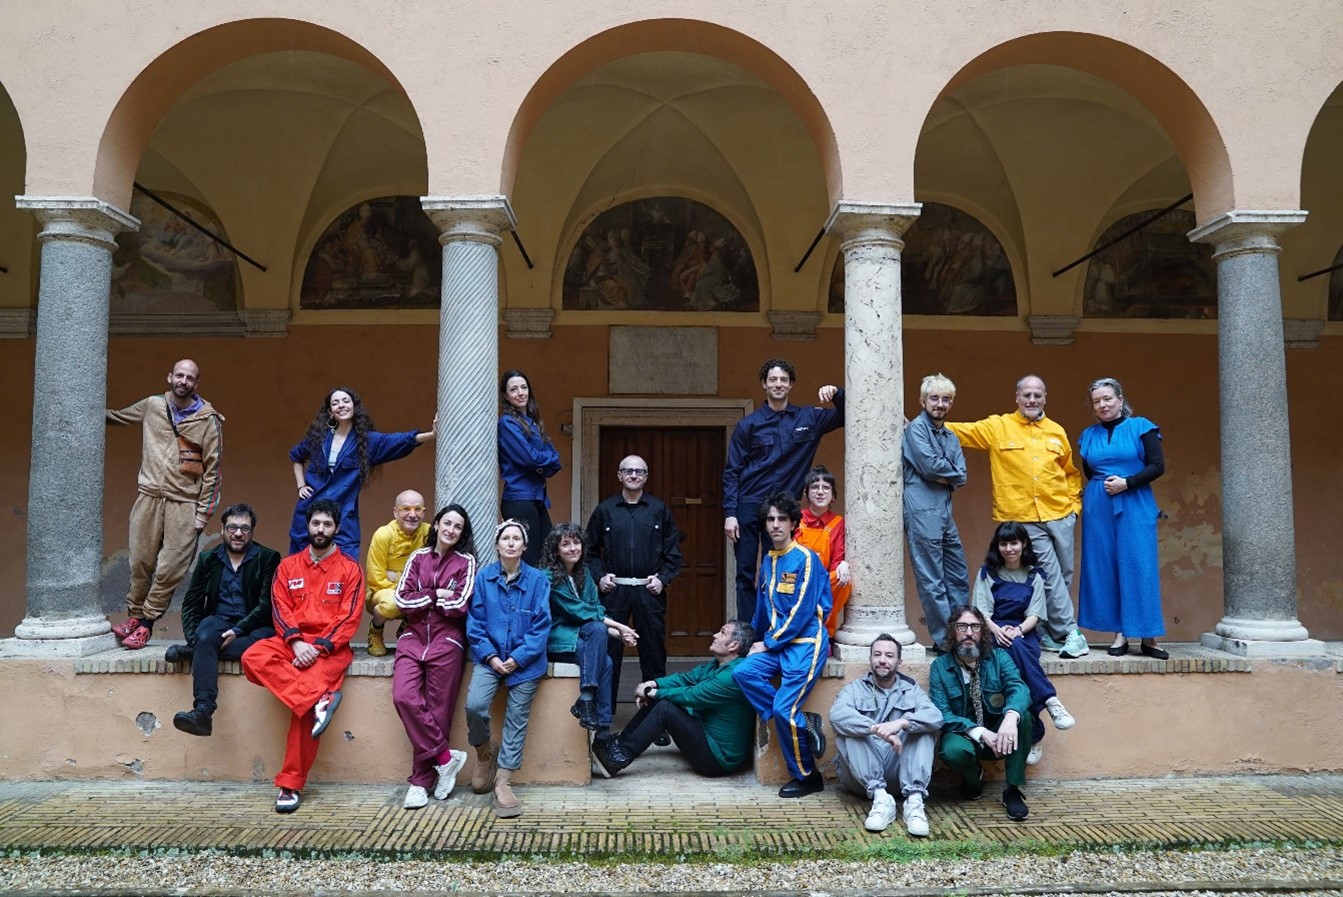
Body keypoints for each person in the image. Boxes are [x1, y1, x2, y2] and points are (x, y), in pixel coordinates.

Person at [946, 375, 1089, 658]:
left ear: (1045, 398)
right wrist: (920, 426)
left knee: (1063, 575)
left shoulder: (1056, 431)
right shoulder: (998, 426)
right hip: (1024, 517)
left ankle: (1048, 633)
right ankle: (1073, 634)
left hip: (1060, 513)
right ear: (1017, 398)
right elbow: (958, 431)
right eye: (1026, 395)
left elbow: (1070, 472)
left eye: (1037, 395)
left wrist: (1074, 507)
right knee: (1049, 575)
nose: (1032, 400)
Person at [241, 499, 364, 814]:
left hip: (330, 650)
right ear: (307, 526)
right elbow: (280, 609)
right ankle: (317, 699)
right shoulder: (287, 567)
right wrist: (296, 643)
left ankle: (290, 785)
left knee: (302, 715)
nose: (320, 529)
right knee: (253, 656)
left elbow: (349, 619)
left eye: (327, 524)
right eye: (315, 523)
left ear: (337, 528)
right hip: (292, 642)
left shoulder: (350, 569)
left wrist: (317, 649)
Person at [106, 358, 224, 650]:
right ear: (169, 377)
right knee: (139, 562)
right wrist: (82, 409)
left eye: (190, 378)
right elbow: (118, 417)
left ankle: (147, 623)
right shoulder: (153, 405)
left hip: (184, 503)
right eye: (179, 375)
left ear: (197, 383)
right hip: (148, 496)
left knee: (171, 568)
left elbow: (213, 471)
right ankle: (134, 616)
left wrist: (203, 514)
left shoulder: (208, 421)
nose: (184, 381)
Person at [723, 359, 844, 621]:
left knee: (779, 570)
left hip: (783, 508)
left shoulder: (809, 418)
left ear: (791, 385)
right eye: (773, 380)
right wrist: (730, 513)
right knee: (745, 572)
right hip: (749, 503)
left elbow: (848, 414)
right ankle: (747, 631)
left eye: (783, 380)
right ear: (764, 384)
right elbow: (732, 471)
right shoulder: (749, 425)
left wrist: (836, 393)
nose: (778, 384)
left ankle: (775, 626)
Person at [731, 490, 831, 798]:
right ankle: (802, 722)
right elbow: (763, 610)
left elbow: (802, 611)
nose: (775, 524)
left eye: (782, 519)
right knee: (743, 671)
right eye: (770, 519)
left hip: (805, 644)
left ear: (793, 523)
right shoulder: (768, 561)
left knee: (783, 708)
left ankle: (807, 776)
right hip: (777, 645)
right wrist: (752, 641)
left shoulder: (806, 559)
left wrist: (770, 642)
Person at [166, 503, 279, 736]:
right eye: (232, 527)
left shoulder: (268, 558)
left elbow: (266, 605)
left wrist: (238, 630)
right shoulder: (208, 558)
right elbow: (191, 604)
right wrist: (195, 637)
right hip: (218, 621)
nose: (238, 533)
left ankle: (195, 652)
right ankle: (203, 711)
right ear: (222, 529)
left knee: (264, 644)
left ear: (252, 531)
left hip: (255, 627)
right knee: (205, 634)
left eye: (245, 528)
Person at [391, 503, 477, 809]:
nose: (451, 530)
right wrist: (435, 594)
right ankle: (445, 757)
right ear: (437, 524)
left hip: (447, 641)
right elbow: (401, 600)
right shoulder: (418, 557)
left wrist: (424, 597)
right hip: (412, 639)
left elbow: (460, 604)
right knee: (404, 697)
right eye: (447, 523)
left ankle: (420, 782)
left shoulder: (466, 562)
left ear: (462, 534)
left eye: (458, 527)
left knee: (438, 711)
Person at [464, 519, 551, 818]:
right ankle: (484, 753)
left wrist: (519, 657)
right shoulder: (484, 578)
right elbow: (475, 625)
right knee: (475, 705)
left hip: (526, 662)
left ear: (524, 546)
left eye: (517, 539)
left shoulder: (538, 580)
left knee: (516, 717)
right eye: (506, 538)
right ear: (497, 545)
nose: (511, 543)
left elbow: (541, 626)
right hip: (490, 658)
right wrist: (490, 657)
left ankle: (503, 781)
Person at [592, 620, 757, 779]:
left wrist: (652, 692)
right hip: (704, 734)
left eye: (722, 633)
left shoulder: (732, 675)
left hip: (717, 758)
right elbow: (687, 678)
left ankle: (617, 759)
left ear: (734, 645)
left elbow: (693, 695)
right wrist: (654, 683)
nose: (715, 635)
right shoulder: (717, 665)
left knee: (665, 708)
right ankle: (619, 745)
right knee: (661, 698)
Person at [971, 522, 1077, 766]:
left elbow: (1035, 615)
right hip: (992, 631)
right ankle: (1048, 704)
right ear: (997, 546)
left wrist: (1017, 630)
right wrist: (998, 631)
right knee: (1015, 654)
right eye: (1004, 543)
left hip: (1023, 631)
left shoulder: (1035, 575)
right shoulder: (987, 573)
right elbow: (982, 612)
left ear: (1024, 544)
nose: (1009, 548)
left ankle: (1035, 730)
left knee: (1018, 650)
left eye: (1014, 543)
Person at [1078, 378, 1168, 659]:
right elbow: (1090, 472)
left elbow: (1157, 466)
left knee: (1140, 564)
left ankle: (1148, 636)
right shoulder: (1088, 435)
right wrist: (1105, 489)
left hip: (1135, 500)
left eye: (1107, 398)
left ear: (1119, 399)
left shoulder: (1141, 426)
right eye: (1097, 401)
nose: (1102, 405)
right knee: (1105, 566)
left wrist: (1127, 483)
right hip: (1099, 504)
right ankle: (1120, 633)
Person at [289, 386, 434, 559]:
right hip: (311, 507)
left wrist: (432, 434)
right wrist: (301, 486)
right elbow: (296, 456)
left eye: (346, 401)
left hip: (344, 512)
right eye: (335, 403)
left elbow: (400, 440)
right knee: (298, 560)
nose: (341, 405)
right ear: (330, 411)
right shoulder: (318, 437)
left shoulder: (367, 441)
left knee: (346, 561)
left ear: (354, 406)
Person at [540, 523, 639, 774]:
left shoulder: (584, 573)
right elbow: (578, 611)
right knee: (600, 643)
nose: (573, 548)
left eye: (576, 543)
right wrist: (619, 626)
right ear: (556, 549)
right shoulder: (547, 577)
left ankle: (600, 728)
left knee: (606, 658)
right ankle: (592, 714)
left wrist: (619, 634)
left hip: (585, 638)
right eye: (566, 544)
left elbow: (596, 611)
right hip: (558, 638)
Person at [584, 454, 682, 703]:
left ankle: (655, 713)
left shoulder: (659, 510)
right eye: (628, 471)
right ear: (619, 475)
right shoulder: (605, 510)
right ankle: (604, 715)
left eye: (639, 471)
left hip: (648, 592)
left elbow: (673, 555)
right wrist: (599, 577)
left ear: (646, 477)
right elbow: (588, 552)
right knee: (609, 652)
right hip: (613, 593)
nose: (634, 475)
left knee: (653, 652)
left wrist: (662, 579)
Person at [829, 634, 943, 835]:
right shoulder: (854, 689)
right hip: (862, 779)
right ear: (870, 659)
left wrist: (902, 723)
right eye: (877, 654)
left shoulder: (911, 690)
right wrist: (877, 730)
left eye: (889, 656)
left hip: (900, 771)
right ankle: (881, 800)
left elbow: (935, 716)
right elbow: (837, 716)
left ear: (899, 662)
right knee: (849, 730)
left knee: (923, 729)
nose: (882, 660)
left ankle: (914, 803)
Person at [929, 604, 1033, 822]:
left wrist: (1010, 718)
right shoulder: (940, 666)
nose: (969, 633)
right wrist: (980, 732)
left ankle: (1012, 790)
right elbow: (942, 712)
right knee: (952, 751)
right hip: (965, 735)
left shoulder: (999, 658)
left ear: (983, 632)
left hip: (1000, 734)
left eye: (975, 627)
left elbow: (1019, 688)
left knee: (1023, 718)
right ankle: (972, 778)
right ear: (953, 630)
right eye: (962, 626)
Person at [902, 373, 970, 652]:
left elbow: (962, 475)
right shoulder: (916, 430)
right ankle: (946, 641)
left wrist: (945, 473)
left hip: (943, 511)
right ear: (922, 401)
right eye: (934, 398)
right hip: (921, 511)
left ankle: (964, 634)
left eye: (946, 399)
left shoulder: (950, 435)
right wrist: (946, 473)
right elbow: (930, 467)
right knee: (932, 580)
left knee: (958, 575)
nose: (940, 404)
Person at [498, 370, 562, 566]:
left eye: (524, 388)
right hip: (519, 498)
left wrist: (542, 464)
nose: (520, 393)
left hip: (537, 498)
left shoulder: (533, 423)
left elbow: (555, 460)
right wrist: (541, 464)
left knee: (549, 556)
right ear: (506, 395)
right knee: (530, 559)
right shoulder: (507, 423)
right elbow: (530, 458)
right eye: (514, 389)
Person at [364, 490, 430, 656]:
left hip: (413, 590)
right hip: (383, 590)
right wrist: (406, 589)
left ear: (424, 512)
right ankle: (375, 631)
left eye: (418, 509)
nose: (412, 515)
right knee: (393, 603)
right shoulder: (383, 535)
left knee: (433, 598)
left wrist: (396, 576)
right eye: (406, 509)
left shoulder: (429, 533)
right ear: (395, 512)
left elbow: (433, 571)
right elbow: (376, 578)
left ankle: (406, 630)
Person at [794, 466, 851, 638]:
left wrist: (843, 564)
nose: (820, 492)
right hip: (798, 580)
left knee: (843, 580)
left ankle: (826, 631)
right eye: (814, 487)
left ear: (833, 496)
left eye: (826, 488)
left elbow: (837, 558)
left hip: (823, 580)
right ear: (806, 494)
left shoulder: (837, 522)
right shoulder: (796, 518)